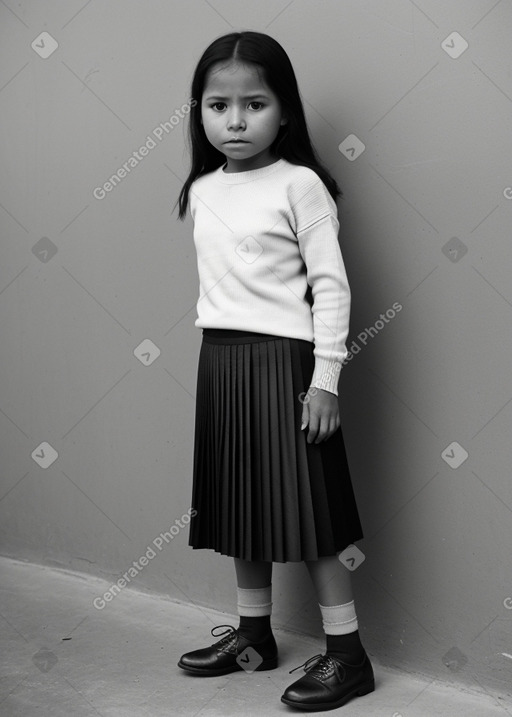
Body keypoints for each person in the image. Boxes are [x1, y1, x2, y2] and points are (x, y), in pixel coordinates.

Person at [173, 30, 374, 711]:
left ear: (284, 111)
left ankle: (347, 654)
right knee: (237, 503)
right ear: (198, 111)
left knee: (314, 514)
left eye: (254, 104)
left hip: (286, 363)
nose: (234, 119)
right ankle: (253, 637)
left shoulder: (300, 183)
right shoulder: (202, 190)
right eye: (217, 104)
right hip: (221, 361)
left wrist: (325, 377)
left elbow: (333, 285)